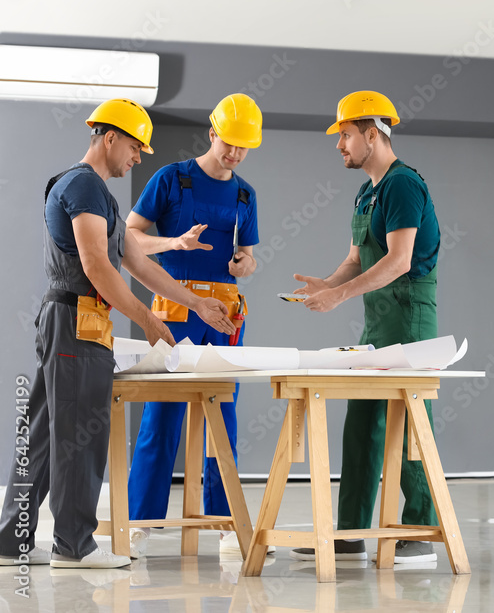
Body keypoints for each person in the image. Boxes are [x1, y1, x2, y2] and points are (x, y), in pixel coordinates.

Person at [0, 99, 235, 569]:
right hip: (77, 323)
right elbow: (96, 266)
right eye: (134, 144)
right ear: (109, 138)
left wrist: (195, 304)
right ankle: (74, 546)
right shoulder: (84, 186)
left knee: (46, 434)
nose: (139, 155)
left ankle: (11, 539)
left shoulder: (98, 195)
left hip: (70, 322)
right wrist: (148, 321)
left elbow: (137, 262)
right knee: (77, 433)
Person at [291, 90, 442, 564]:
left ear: (371, 134)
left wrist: (339, 295)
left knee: (410, 423)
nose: (339, 145)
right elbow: (357, 258)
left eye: (346, 135)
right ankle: (351, 530)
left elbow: (398, 262)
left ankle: (420, 531)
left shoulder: (402, 186)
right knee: (362, 422)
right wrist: (328, 283)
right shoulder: (367, 191)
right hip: (377, 319)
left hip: (409, 315)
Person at [124, 93, 262, 558]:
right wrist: (175, 243)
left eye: (244, 148)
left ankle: (226, 523)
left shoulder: (246, 194)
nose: (235, 154)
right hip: (174, 309)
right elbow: (130, 238)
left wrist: (246, 262)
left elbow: (248, 255)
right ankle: (140, 521)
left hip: (224, 315)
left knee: (222, 415)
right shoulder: (170, 179)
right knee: (161, 414)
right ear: (212, 133)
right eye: (229, 143)